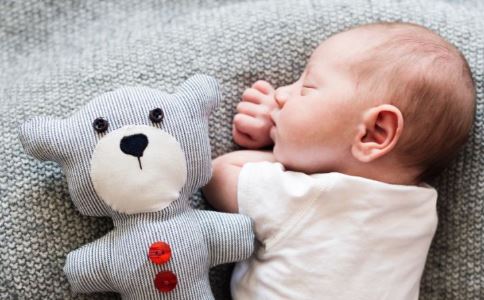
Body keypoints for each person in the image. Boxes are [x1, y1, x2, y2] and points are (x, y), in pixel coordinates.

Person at [202, 22, 476, 300]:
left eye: (307, 87)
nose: (281, 95)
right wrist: (286, 130)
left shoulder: (305, 196)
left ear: (375, 132)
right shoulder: (420, 211)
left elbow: (217, 174)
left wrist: (274, 142)